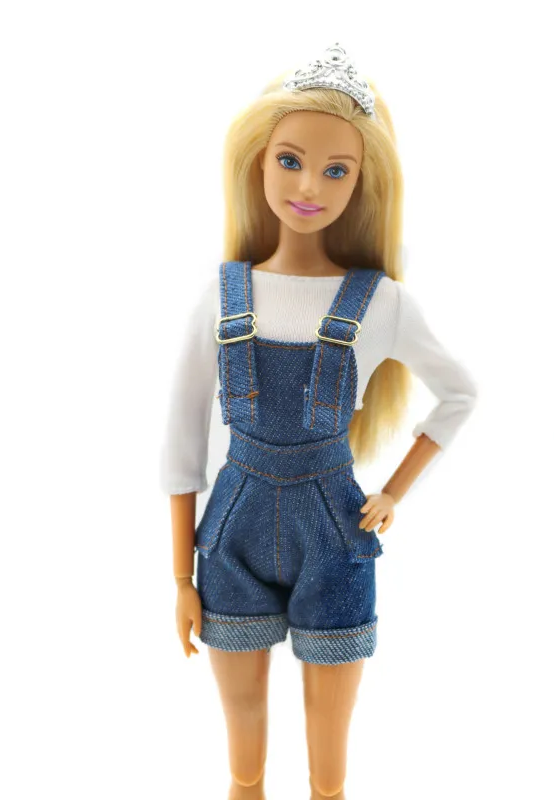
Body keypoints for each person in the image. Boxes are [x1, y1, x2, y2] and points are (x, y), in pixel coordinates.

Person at [160, 43, 479, 800]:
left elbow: (458, 393)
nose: (309, 186)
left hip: (335, 532)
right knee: (243, 755)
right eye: (290, 161)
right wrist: (179, 576)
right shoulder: (223, 296)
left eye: (337, 170)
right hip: (230, 533)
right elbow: (180, 444)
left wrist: (395, 491)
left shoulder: (380, 302)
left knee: (328, 753)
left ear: (363, 182)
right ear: (258, 164)